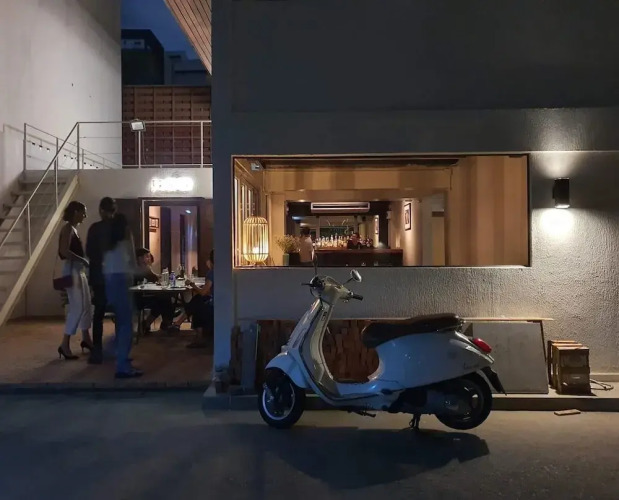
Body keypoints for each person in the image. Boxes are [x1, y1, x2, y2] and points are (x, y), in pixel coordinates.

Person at [103, 213, 142, 378]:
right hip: (123, 280)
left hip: (110, 281)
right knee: (127, 324)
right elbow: (133, 264)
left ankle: (118, 354)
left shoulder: (108, 244)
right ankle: (122, 364)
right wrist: (143, 270)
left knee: (121, 321)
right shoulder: (126, 240)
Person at [57, 201, 93, 360]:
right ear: (76, 212)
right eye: (83, 212)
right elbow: (64, 251)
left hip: (79, 271)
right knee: (77, 307)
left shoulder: (73, 229)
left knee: (86, 305)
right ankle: (64, 344)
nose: (85, 215)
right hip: (72, 271)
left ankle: (86, 339)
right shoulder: (67, 229)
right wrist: (83, 260)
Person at [85, 196, 116, 364]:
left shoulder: (95, 228)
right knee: (119, 313)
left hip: (99, 276)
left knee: (98, 314)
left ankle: (97, 350)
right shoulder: (118, 228)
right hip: (115, 276)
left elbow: (89, 252)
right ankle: (118, 348)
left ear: (101, 210)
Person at [172, 250, 214, 349]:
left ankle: (179, 324)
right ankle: (178, 323)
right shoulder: (222, 270)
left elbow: (203, 292)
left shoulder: (212, 272)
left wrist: (192, 284)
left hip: (213, 302)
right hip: (217, 299)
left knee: (197, 303)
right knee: (197, 300)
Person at [134, 248, 175, 332]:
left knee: (164, 299)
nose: (149, 259)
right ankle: (165, 322)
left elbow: (155, 277)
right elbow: (155, 278)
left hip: (140, 295)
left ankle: (162, 322)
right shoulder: (142, 268)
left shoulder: (139, 267)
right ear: (140, 258)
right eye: (147, 257)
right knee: (164, 300)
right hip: (136, 298)